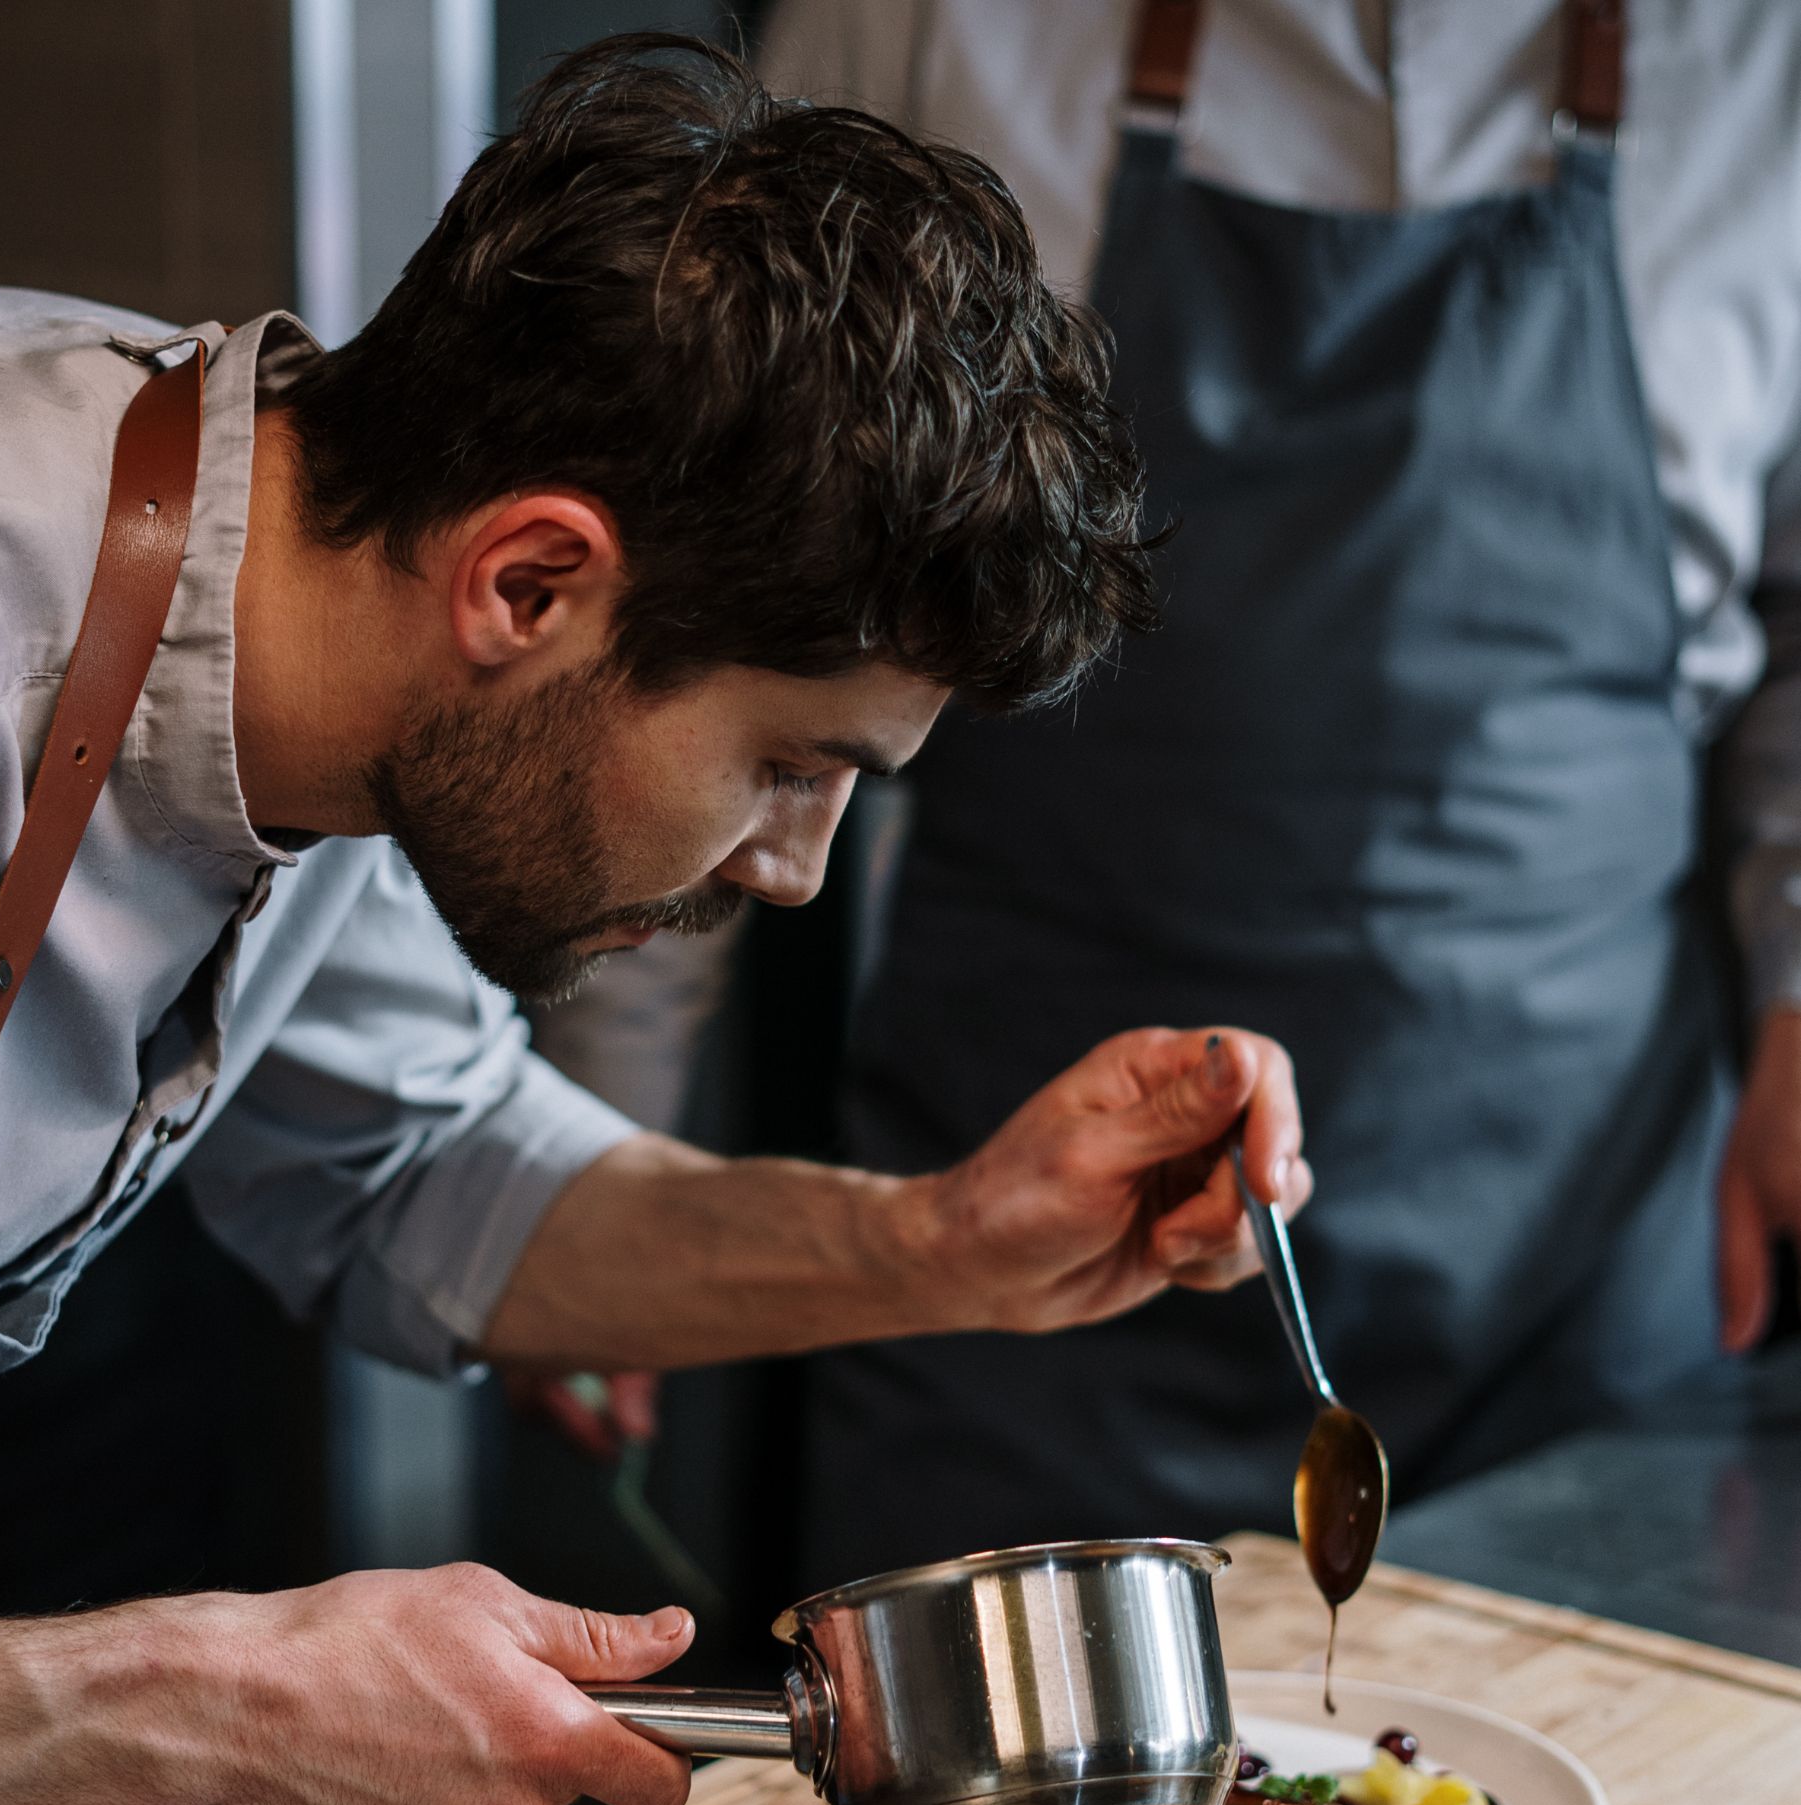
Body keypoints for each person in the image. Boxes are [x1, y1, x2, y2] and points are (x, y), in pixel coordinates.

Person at [0, 37, 1308, 1805]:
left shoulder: (309, 596)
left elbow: (431, 1176)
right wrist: (193, 1702)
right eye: (789, 763)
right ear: (528, 583)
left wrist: (947, 1243)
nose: (794, 869)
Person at [729, 0, 1801, 1587]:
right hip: (1013, 1254)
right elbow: (709, 587)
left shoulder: (1764, 57)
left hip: (1571, 1263)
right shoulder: (918, 23)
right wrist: (603, 1164)